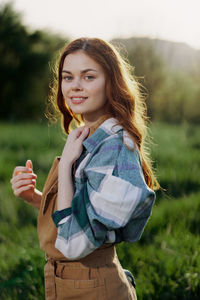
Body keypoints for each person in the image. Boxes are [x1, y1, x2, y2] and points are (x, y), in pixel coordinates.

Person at [10, 37, 159, 300]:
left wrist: (66, 165)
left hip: (94, 287)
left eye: (88, 77)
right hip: (70, 282)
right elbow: (83, 213)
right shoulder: (89, 135)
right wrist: (33, 197)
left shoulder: (115, 146)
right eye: (68, 77)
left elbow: (74, 242)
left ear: (110, 82)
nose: (75, 87)